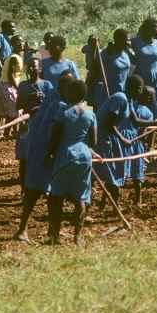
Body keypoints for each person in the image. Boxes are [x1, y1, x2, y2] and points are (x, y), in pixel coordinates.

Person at [14, 73, 73, 242]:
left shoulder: (50, 98)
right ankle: (52, 233)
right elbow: (56, 131)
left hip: (36, 150)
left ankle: (25, 230)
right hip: (47, 152)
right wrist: (53, 152)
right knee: (54, 194)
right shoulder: (60, 106)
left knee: (34, 191)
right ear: (64, 88)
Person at [45, 79, 98, 245]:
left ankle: (54, 236)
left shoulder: (64, 113)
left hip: (65, 155)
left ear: (71, 94)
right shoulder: (90, 114)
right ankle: (78, 236)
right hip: (84, 156)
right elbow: (94, 141)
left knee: (56, 198)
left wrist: (49, 154)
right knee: (81, 198)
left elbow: (55, 137)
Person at [15, 58, 54, 190]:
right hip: (27, 126)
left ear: (40, 69)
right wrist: (29, 101)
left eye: (35, 67)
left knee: (43, 157)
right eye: (29, 67)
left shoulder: (47, 85)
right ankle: (23, 189)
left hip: (43, 127)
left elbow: (52, 105)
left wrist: (41, 100)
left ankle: (43, 187)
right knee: (24, 159)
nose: (32, 69)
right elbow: (18, 106)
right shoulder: (23, 86)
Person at [130, 18, 157, 119]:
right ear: (149, 29)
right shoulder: (135, 42)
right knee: (141, 110)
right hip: (141, 81)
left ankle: (155, 132)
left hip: (155, 82)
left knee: (156, 111)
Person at [95, 28, 132, 109]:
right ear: (117, 40)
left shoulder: (126, 54)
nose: (128, 43)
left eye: (129, 40)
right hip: (108, 93)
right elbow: (96, 68)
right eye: (126, 40)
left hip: (123, 93)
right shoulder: (107, 53)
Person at [0, 54, 22, 139]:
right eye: (19, 44)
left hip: (6, 85)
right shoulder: (14, 57)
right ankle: (5, 133)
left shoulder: (15, 57)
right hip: (7, 87)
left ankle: (9, 132)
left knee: (6, 111)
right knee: (12, 111)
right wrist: (17, 88)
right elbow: (10, 75)